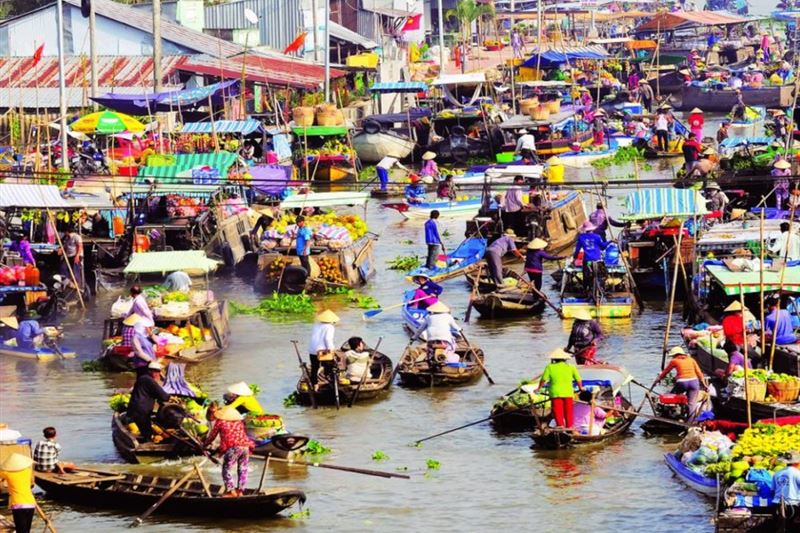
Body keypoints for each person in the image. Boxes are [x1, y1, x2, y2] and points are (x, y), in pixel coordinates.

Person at [203, 406, 254, 498]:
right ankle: (240, 491)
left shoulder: (220, 422)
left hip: (234, 447)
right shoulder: (239, 422)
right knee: (243, 468)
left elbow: (212, 436)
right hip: (246, 446)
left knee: (226, 468)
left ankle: (230, 491)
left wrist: (204, 445)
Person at [535, 349, 583, 428]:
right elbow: (578, 379)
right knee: (568, 411)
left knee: (558, 411)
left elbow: (543, 379)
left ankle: (560, 426)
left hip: (555, 393)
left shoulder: (550, 367)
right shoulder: (571, 367)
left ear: (554, 359)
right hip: (568, 392)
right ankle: (569, 427)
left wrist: (538, 388)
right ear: (565, 359)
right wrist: (581, 388)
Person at [655, 346, 708, 418]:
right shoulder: (691, 360)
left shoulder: (674, 361)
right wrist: (704, 384)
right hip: (694, 382)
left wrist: (658, 379)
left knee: (671, 396)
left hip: (682, 382)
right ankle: (690, 421)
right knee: (691, 403)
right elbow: (699, 373)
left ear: (675, 355)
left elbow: (665, 372)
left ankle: (671, 414)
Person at [126, 361, 171, 442]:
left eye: (158, 371)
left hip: (134, 410)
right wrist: (170, 397)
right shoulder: (149, 380)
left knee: (146, 430)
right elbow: (163, 396)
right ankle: (147, 443)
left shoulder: (142, 378)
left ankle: (146, 438)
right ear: (149, 371)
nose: (156, 374)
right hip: (141, 412)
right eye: (154, 371)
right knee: (147, 433)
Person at [0, 453, 36, 533]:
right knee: (27, 530)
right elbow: (30, 483)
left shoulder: (7, 473)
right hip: (30, 503)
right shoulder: (28, 471)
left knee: (20, 530)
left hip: (18, 504)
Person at [308, 309, 338, 387]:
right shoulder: (330, 327)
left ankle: (314, 384)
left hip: (313, 350)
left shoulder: (316, 325)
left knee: (314, 368)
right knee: (329, 367)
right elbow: (327, 339)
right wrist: (331, 349)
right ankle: (329, 382)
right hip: (323, 351)